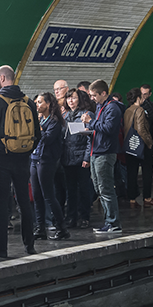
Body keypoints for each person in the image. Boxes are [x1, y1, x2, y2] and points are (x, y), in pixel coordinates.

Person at [0, 65, 40, 257]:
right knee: (24, 202)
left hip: (1, 160)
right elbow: (37, 135)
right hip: (23, 160)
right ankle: (29, 245)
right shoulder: (29, 103)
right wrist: (24, 152)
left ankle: (1, 248)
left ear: (2, 78)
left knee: (1, 204)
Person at [81, 79, 124, 234]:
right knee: (100, 189)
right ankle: (109, 221)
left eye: (94, 95)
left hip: (105, 152)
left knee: (106, 189)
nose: (92, 98)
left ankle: (113, 223)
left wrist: (91, 122)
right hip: (96, 150)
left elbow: (109, 129)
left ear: (103, 93)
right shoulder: (100, 106)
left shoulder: (113, 108)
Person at [30, 93, 69, 240]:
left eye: (40, 102)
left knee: (48, 195)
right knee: (36, 195)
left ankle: (61, 227)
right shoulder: (41, 119)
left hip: (47, 160)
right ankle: (40, 227)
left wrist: (38, 129)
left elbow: (47, 139)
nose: (37, 105)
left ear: (48, 104)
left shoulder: (54, 122)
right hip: (35, 158)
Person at [62, 88, 93, 228]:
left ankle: (84, 216)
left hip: (81, 158)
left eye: (73, 98)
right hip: (68, 158)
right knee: (70, 190)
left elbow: (89, 139)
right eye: (68, 98)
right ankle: (71, 217)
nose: (70, 101)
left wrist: (87, 157)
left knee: (83, 189)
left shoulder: (85, 115)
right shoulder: (64, 116)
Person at [123, 88, 153, 209]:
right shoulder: (140, 110)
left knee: (131, 173)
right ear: (138, 98)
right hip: (141, 146)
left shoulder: (127, 110)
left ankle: (132, 199)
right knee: (147, 172)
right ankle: (147, 197)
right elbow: (141, 129)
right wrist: (149, 142)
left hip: (129, 145)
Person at [139, 84, 153, 207]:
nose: (144, 97)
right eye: (142, 94)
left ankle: (146, 196)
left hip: (147, 143)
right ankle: (132, 197)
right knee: (133, 170)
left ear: (150, 94)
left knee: (147, 170)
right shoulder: (134, 106)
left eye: (146, 94)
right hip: (138, 142)